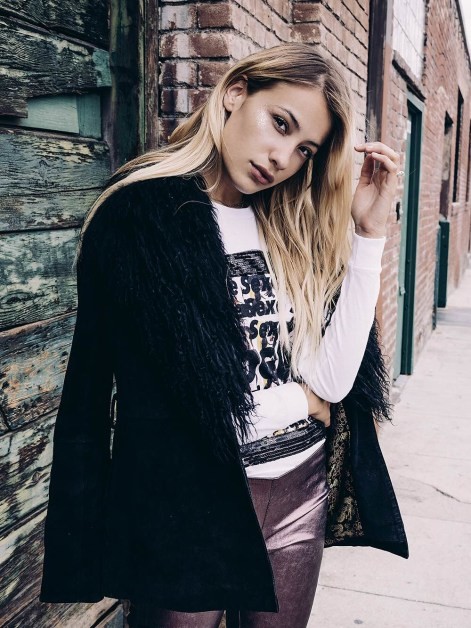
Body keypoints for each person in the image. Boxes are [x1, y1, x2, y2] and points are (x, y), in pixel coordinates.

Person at [39, 43, 408, 627]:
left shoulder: (287, 223)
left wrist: (368, 234)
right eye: (280, 123)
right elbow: (163, 409)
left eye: (304, 149)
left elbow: (335, 383)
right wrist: (300, 401)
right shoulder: (143, 217)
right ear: (236, 93)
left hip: (300, 489)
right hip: (190, 505)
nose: (282, 157)